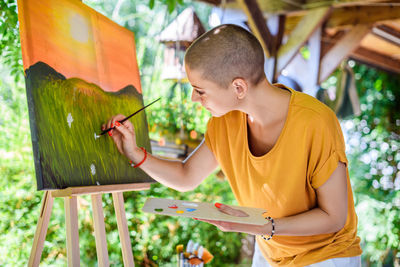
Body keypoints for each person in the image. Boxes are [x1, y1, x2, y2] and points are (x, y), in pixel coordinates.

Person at [103, 24, 362, 267]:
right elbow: (186, 176)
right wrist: (136, 153)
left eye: (200, 90)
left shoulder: (315, 122)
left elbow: (333, 217)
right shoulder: (225, 123)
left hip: (327, 256)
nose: (194, 98)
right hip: (271, 251)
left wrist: (264, 227)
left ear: (238, 87)